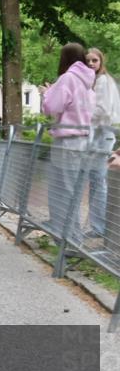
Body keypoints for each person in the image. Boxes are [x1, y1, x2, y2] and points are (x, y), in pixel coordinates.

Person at [39, 42, 95, 243]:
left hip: (67, 143)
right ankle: (71, 238)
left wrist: (46, 93)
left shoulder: (68, 78)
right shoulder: (88, 82)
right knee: (74, 191)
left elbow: (52, 107)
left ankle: (69, 241)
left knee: (62, 191)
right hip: (83, 141)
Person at [85, 48, 120, 238]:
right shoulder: (93, 81)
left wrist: (83, 116)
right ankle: (98, 226)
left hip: (102, 134)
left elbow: (103, 109)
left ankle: (99, 228)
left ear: (101, 61)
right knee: (96, 180)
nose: (91, 63)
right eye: (88, 61)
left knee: (98, 181)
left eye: (94, 60)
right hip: (97, 134)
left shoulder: (103, 81)